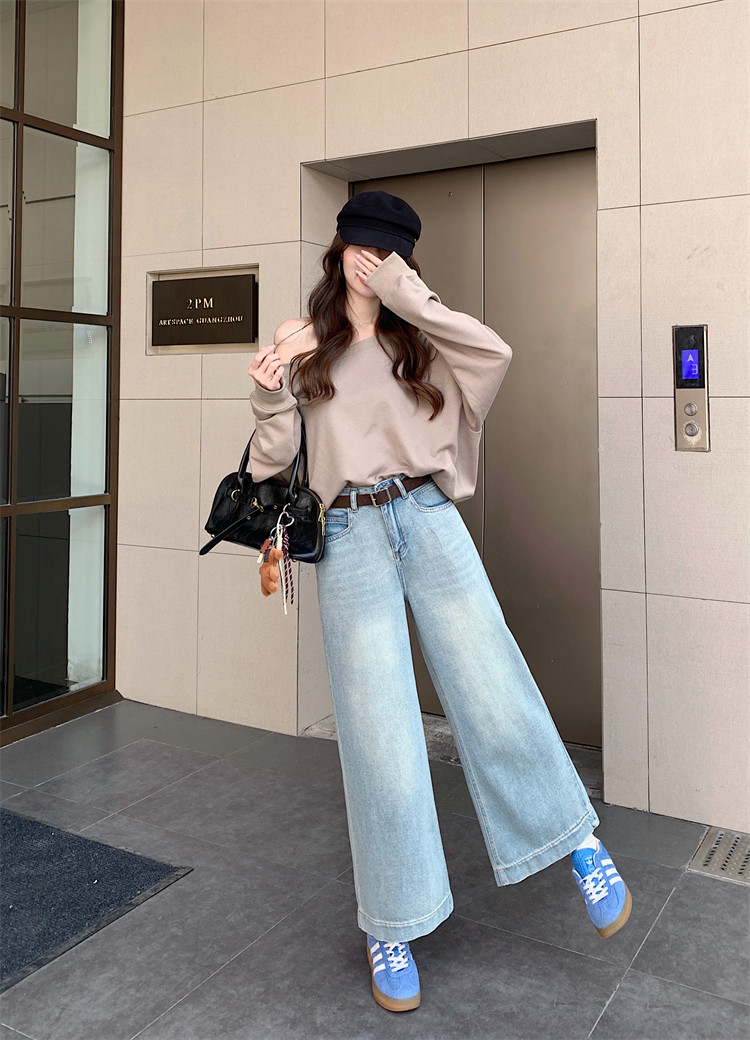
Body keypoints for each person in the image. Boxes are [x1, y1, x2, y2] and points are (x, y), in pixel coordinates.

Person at [247, 190, 632, 1014]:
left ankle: (577, 844)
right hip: (347, 534)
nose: (369, 261)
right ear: (337, 247)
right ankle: (391, 923)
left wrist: (406, 297)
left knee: (492, 685)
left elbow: (497, 355)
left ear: (403, 260)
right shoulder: (300, 338)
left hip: (427, 516)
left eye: (386, 251)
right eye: (360, 246)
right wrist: (271, 397)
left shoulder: (423, 334)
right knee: (378, 730)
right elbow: (272, 464)